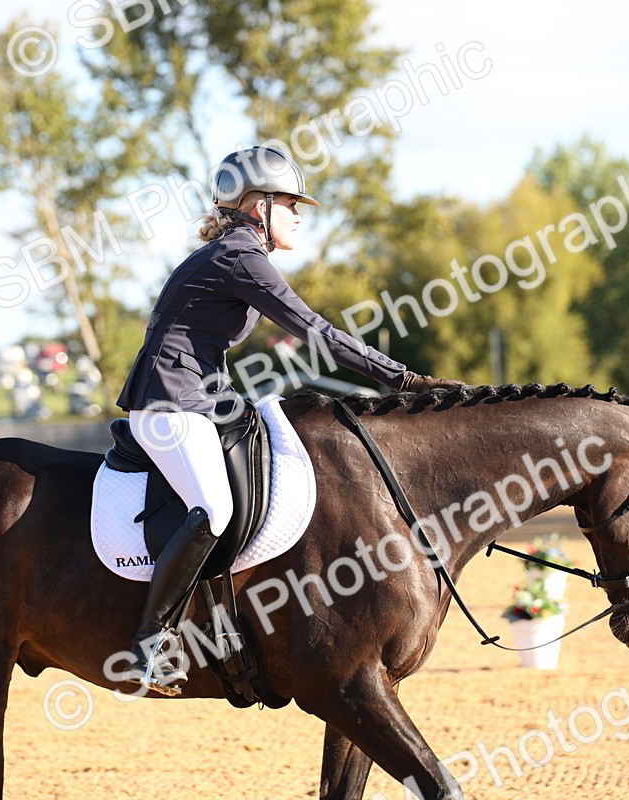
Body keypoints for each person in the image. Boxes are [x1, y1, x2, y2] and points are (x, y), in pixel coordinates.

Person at [115, 145, 461, 695]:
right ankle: (148, 645)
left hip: (198, 399)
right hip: (168, 406)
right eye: (291, 203)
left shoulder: (234, 255)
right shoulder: (239, 257)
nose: (299, 214)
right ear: (259, 208)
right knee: (215, 509)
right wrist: (404, 381)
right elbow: (317, 331)